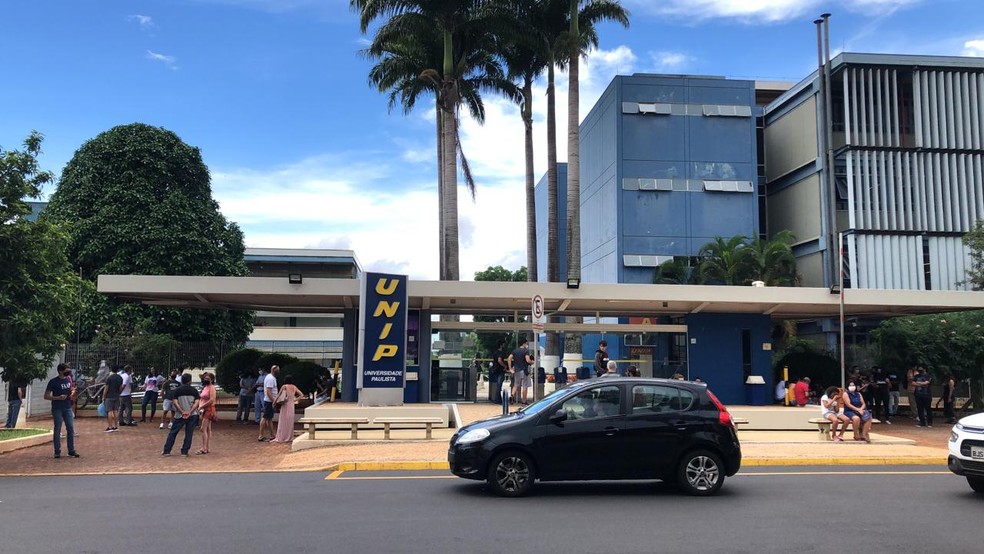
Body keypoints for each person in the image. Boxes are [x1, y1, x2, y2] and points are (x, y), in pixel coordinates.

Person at [44, 363, 79, 459]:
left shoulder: (68, 379)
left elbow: (72, 389)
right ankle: (57, 451)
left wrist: (72, 393)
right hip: (57, 408)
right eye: (66, 369)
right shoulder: (53, 382)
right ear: (60, 371)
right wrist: (58, 397)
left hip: (67, 407)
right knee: (57, 428)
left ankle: (71, 450)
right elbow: (46, 396)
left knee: (70, 428)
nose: (68, 371)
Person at [161, 373, 200, 457]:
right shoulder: (194, 390)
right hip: (192, 415)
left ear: (182, 380)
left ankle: (167, 450)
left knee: (173, 432)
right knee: (189, 433)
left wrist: (182, 411)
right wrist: (189, 411)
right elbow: (196, 403)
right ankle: (184, 451)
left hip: (179, 415)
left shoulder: (177, 390)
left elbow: (175, 402)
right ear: (190, 381)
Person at [271, 374, 304, 443]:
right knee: (289, 422)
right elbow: (301, 395)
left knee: (283, 422)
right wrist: (295, 400)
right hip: (291, 405)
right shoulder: (294, 387)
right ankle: (289, 437)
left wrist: (274, 402)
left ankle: (282, 437)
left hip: (285, 405)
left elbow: (279, 395)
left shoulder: (284, 386)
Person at [196, 372, 218, 454]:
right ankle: (206, 447)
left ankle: (204, 448)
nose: (206, 380)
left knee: (203, 429)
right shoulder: (205, 387)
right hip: (204, 409)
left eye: (208, 379)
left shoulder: (211, 388)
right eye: (205, 378)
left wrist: (201, 406)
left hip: (208, 409)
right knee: (208, 429)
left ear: (212, 380)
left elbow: (212, 400)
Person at [258, 365, 280, 442]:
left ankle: (272, 435)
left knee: (269, 418)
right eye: (277, 370)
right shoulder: (271, 378)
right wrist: (274, 401)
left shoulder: (270, 377)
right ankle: (261, 435)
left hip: (270, 401)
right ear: (273, 370)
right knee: (265, 417)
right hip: (269, 401)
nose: (278, 371)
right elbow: (268, 391)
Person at [509, 338, 534, 405]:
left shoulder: (515, 351)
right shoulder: (526, 351)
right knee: (525, 386)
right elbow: (528, 360)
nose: (527, 344)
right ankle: (524, 401)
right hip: (524, 370)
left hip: (516, 370)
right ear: (524, 343)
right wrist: (532, 362)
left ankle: (512, 396)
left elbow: (509, 358)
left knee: (516, 385)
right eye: (526, 343)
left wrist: (510, 368)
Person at [102, 366, 123, 433]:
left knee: (110, 411)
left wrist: (103, 396)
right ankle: (116, 426)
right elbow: (120, 388)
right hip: (117, 396)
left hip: (109, 396)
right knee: (115, 411)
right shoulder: (120, 378)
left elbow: (106, 388)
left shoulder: (109, 378)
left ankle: (110, 426)